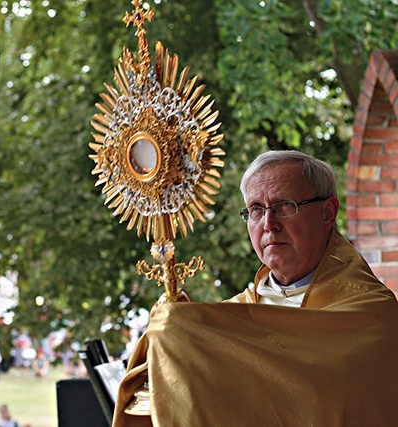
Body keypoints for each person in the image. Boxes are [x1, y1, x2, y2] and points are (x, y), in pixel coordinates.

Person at [113, 150, 398, 426]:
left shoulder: (372, 314)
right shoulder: (230, 320)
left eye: (285, 205)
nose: (268, 223)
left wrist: (183, 328)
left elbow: (331, 398)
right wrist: (185, 346)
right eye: (255, 210)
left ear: (327, 213)